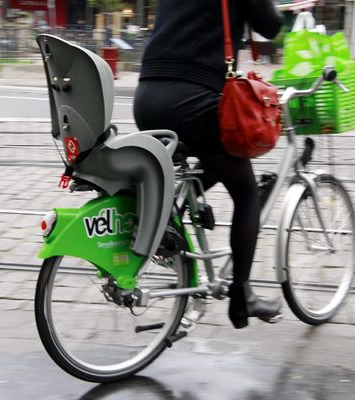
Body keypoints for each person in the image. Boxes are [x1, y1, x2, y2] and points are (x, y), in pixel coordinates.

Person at [134, 0, 284, 329]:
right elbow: (271, 26)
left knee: (213, 160)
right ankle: (242, 298)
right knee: (245, 192)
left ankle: (171, 218)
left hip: (146, 96)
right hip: (191, 98)